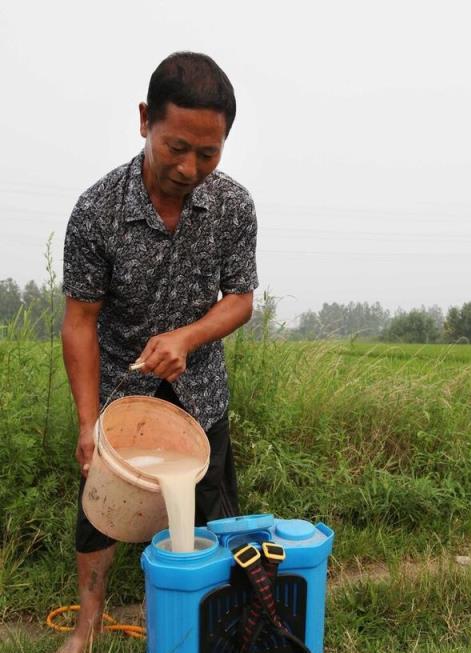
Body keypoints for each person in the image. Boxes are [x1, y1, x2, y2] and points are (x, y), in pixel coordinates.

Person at [59, 51, 258, 653]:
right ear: (145, 119)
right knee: (102, 511)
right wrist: (88, 422)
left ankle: (200, 615)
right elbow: (79, 323)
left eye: (208, 152)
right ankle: (88, 623)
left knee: (212, 515)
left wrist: (187, 338)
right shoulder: (96, 212)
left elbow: (241, 299)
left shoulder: (232, 206)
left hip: (201, 394)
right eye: (176, 147)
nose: (190, 167)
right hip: (125, 392)